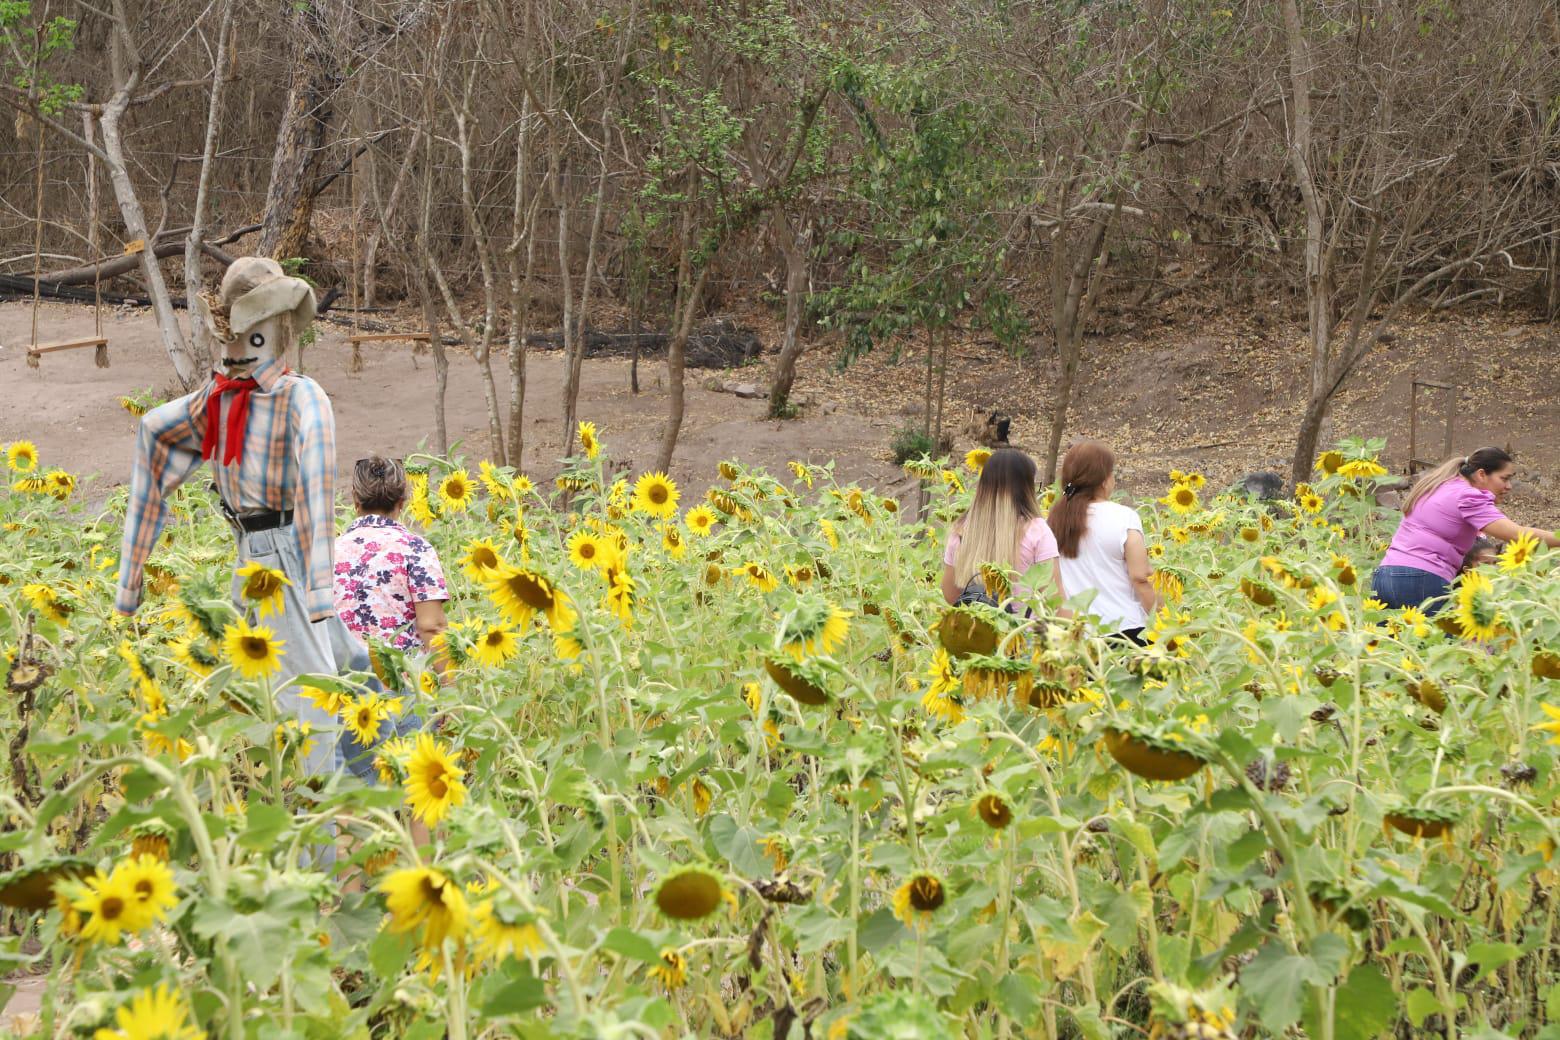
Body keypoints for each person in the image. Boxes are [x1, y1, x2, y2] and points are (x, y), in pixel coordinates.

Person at [333, 456, 450, 785]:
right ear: (403, 501)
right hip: (404, 683)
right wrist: (450, 692)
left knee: (353, 795)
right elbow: (432, 626)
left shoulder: (330, 551)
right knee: (417, 792)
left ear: (355, 501)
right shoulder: (415, 549)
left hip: (345, 688)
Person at [1371, 447, 1559, 611]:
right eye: (1505, 478)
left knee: (1395, 647)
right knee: (1442, 649)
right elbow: (1517, 535)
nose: (1509, 486)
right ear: (1481, 474)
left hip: (1385, 576)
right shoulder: (1468, 496)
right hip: (1421, 578)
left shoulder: (1441, 486)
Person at [1046, 440, 1159, 644]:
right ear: (1104, 480)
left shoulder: (1054, 521)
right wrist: (1165, 621)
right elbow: (1140, 578)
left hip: (1079, 636)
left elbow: (1055, 585)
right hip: (1127, 631)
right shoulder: (1124, 517)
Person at [940, 448, 1065, 611]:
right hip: (1023, 634)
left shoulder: (962, 531)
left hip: (979, 631)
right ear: (1025, 488)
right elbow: (1054, 600)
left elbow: (950, 594)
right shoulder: (1037, 531)